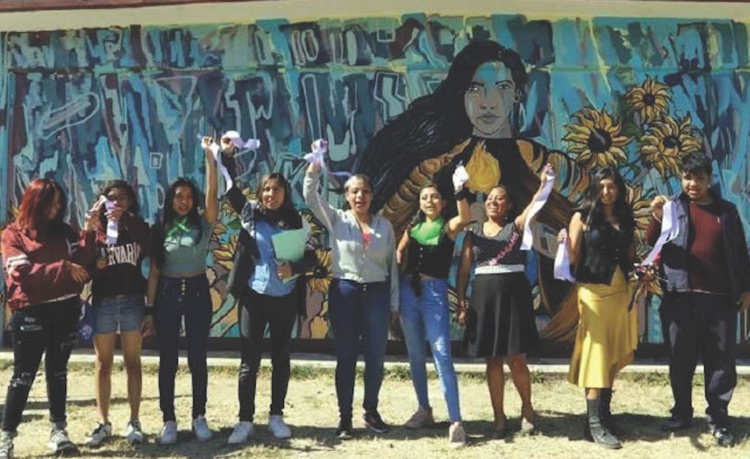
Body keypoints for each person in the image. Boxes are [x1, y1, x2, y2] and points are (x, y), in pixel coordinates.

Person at [355, 39, 587, 325]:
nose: (488, 102)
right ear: (461, 93)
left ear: (517, 93)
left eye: (502, 88)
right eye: (476, 89)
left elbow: (585, 212)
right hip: (443, 290)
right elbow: (393, 224)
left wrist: (555, 239)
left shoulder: (540, 160)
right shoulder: (437, 161)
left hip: (521, 291)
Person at [217, 137, 316, 443]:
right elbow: (230, 187)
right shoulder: (250, 214)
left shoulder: (297, 221)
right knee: (249, 362)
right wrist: (228, 154)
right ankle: (245, 420)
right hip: (254, 298)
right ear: (260, 194)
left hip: (284, 300)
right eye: (266, 190)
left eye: (277, 189)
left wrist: (295, 269)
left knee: (281, 358)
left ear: (285, 193)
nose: (271, 194)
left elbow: (311, 256)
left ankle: (276, 415)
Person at [647, 153, 750, 447]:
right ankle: (681, 413)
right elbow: (653, 244)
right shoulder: (672, 208)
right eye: (688, 177)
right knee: (680, 360)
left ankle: (719, 419)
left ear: (709, 179)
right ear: (682, 177)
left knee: (720, 362)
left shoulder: (727, 211)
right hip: (680, 299)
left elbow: (740, 253)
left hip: (719, 301)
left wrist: (745, 289)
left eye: (700, 178)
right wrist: (656, 218)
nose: (693, 184)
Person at [455, 165, 553, 438]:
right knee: (493, 361)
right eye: (489, 198)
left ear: (509, 206)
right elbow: (464, 270)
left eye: (499, 198)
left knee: (517, 359)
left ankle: (527, 409)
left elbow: (534, 206)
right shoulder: (472, 232)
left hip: (514, 299)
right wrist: (462, 302)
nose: (493, 202)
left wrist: (544, 183)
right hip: (484, 301)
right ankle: (498, 417)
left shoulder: (517, 227)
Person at [303, 160, 399, 438]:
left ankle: (371, 411)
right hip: (345, 292)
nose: (360, 196)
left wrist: (394, 304)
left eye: (365, 191)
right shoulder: (337, 220)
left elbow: (392, 267)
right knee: (346, 358)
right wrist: (314, 167)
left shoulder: (385, 227)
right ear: (346, 196)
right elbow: (310, 196)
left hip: (377, 295)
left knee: (376, 357)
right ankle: (345, 418)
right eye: (354, 191)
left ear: (372, 195)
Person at [0, 179, 94, 458]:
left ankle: (58, 431)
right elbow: (22, 274)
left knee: (58, 372)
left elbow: (83, 264)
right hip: (30, 312)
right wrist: (64, 268)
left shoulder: (64, 231)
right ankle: (7, 437)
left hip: (65, 310)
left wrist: (89, 233)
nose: (55, 210)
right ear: (34, 203)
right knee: (23, 376)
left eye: (59, 205)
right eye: (49, 205)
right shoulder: (13, 235)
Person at [147, 137, 219, 444]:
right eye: (179, 196)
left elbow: (214, 194)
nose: (184, 201)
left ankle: (199, 416)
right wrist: (149, 309)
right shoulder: (160, 228)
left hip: (198, 291)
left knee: (198, 357)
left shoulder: (202, 225)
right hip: (167, 292)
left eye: (189, 196)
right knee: (168, 360)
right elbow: (152, 274)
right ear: (171, 200)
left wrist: (210, 158)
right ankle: (169, 420)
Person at [559, 168, 638, 450]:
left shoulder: (626, 217)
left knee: (612, 353)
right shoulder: (581, 216)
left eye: (612, 186)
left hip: (620, 291)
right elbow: (573, 256)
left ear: (619, 189)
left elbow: (630, 256)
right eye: (602, 186)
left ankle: (603, 415)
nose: (607, 192)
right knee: (597, 355)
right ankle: (595, 426)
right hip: (592, 292)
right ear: (595, 188)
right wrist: (564, 243)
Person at [396, 177, 471, 447]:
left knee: (442, 355)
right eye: (425, 197)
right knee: (415, 355)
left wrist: (461, 189)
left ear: (443, 203)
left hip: (434, 294)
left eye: (435, 197)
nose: (430, 201)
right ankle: (424, 409)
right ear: (420, 202)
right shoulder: (413, 227)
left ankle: (456, 421)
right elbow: (400, 251)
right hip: (408, 293)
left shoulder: (447, 227)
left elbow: (464, 218)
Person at [82, 180, 154, 447]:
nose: (117, 202)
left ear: (131, 201)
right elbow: (82, 261)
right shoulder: (98, 229)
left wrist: (128, 220)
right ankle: (103, 421)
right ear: (103, 201)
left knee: (133, 362)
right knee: (103, 364)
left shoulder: (137, 227)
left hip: (133, 300)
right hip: (104, 302)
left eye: (123, 198)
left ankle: (134, 420)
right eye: (111, 198)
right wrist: (95, 263)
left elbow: (152, 249)